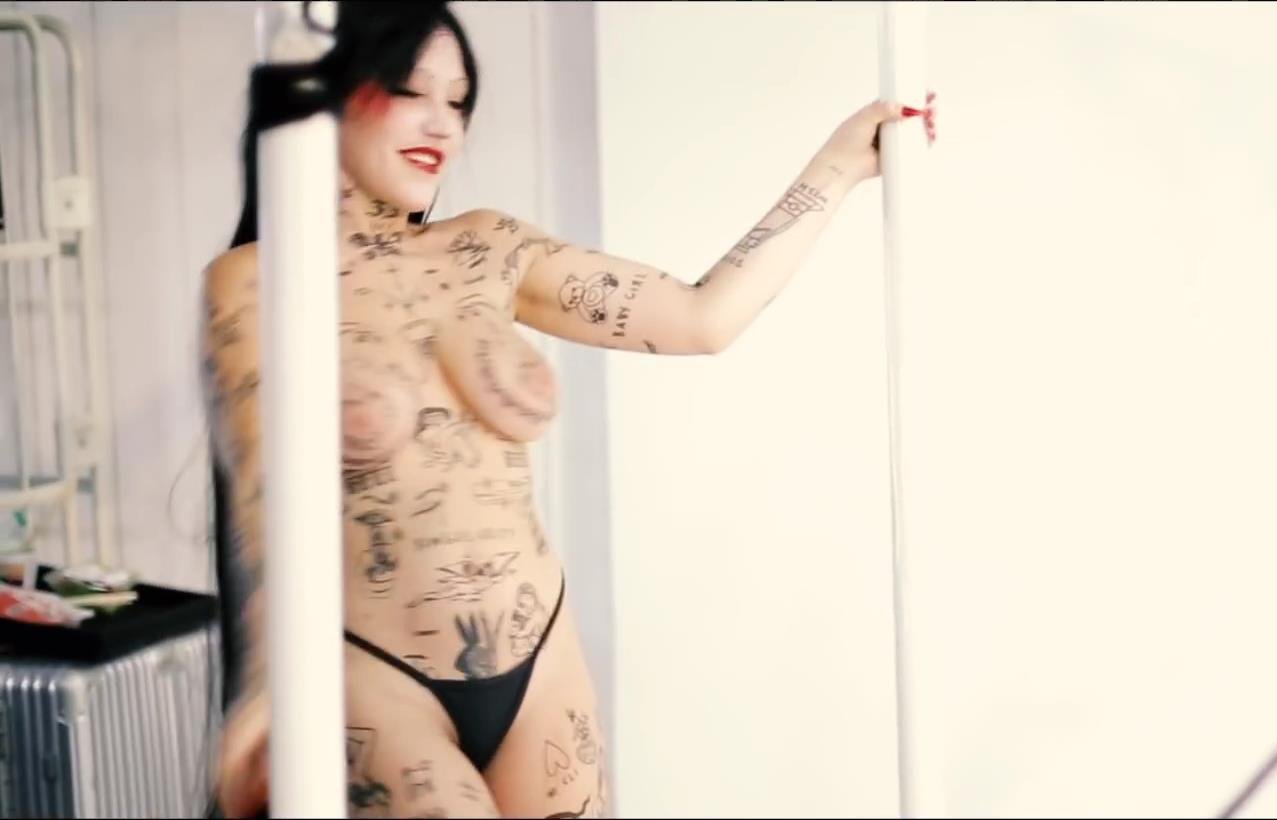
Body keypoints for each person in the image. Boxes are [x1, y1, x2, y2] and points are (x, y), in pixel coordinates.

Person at [201, 4, 937, 816]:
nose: (442, 124)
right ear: (330, 94)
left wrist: (839, 164)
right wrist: (269, 686)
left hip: (541, 667)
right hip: (381, 679)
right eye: (409, 90)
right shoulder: (256, 280)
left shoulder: (487, 248)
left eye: (459, 100)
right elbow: (265, 496)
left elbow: (702, 318)